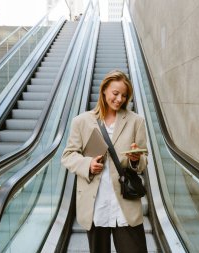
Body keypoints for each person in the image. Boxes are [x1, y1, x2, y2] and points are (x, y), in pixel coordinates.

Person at [61, 70, 148, 253]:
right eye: (115, 94)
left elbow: (143, 161)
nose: (119, 99)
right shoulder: (81, 121)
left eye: (124, 96)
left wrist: (135, 159)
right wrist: (88, 165)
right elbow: (68, 156)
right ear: (104, 90)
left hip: (124, 204)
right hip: (95, 203)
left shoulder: (136, 121)